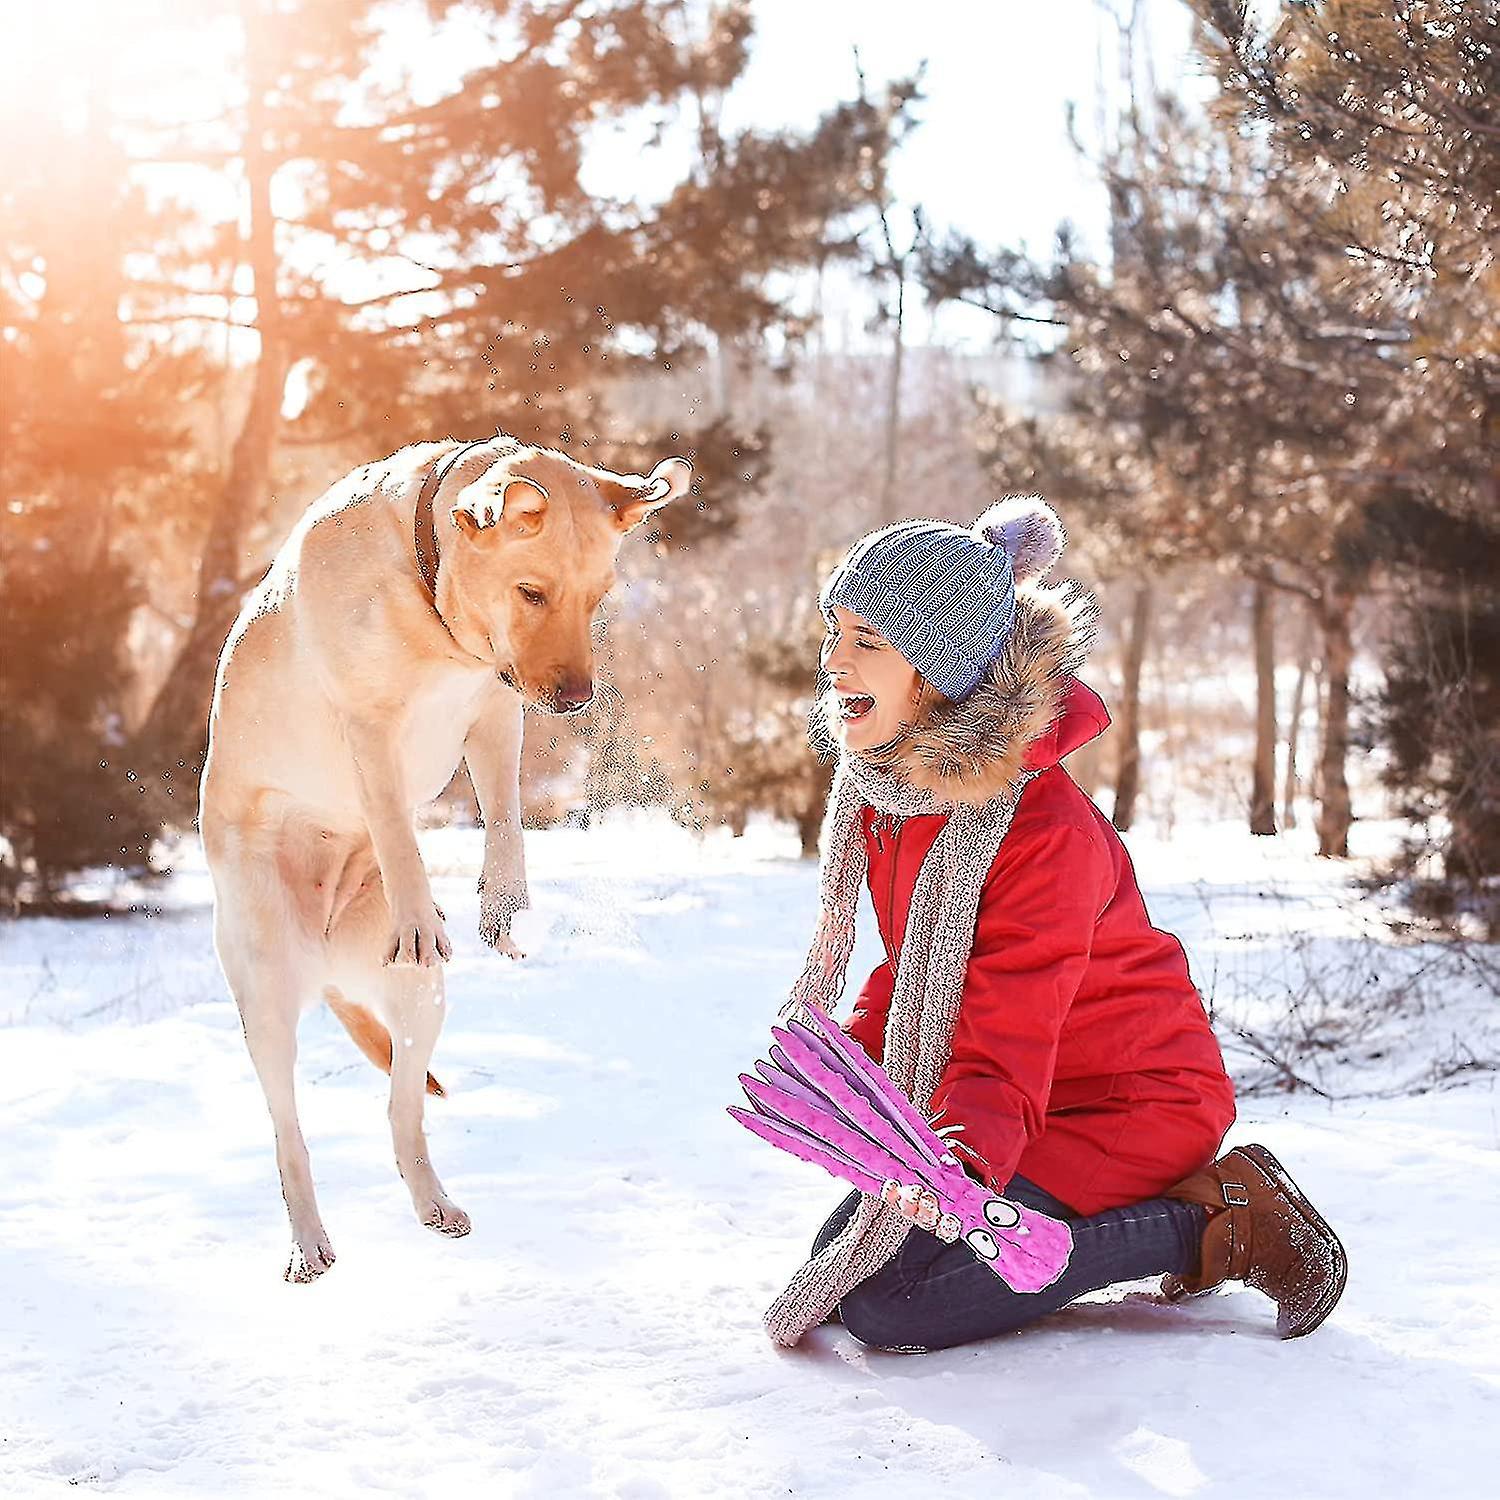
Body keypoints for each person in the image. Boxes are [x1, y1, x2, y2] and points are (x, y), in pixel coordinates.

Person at [762, 498, 1347, 1352]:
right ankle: (1038, 1193)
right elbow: (924, 969)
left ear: (938, 671)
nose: (834, 661)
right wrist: (846, 1073)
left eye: (868, 641)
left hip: (1122, 1098)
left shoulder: (1041, 834)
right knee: (843, 1267)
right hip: (1008, 1099)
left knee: (899, 1305)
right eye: (836, 631)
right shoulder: (893, 797)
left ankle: (1216, 1219)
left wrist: (958, 1165)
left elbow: (1010, 1029)